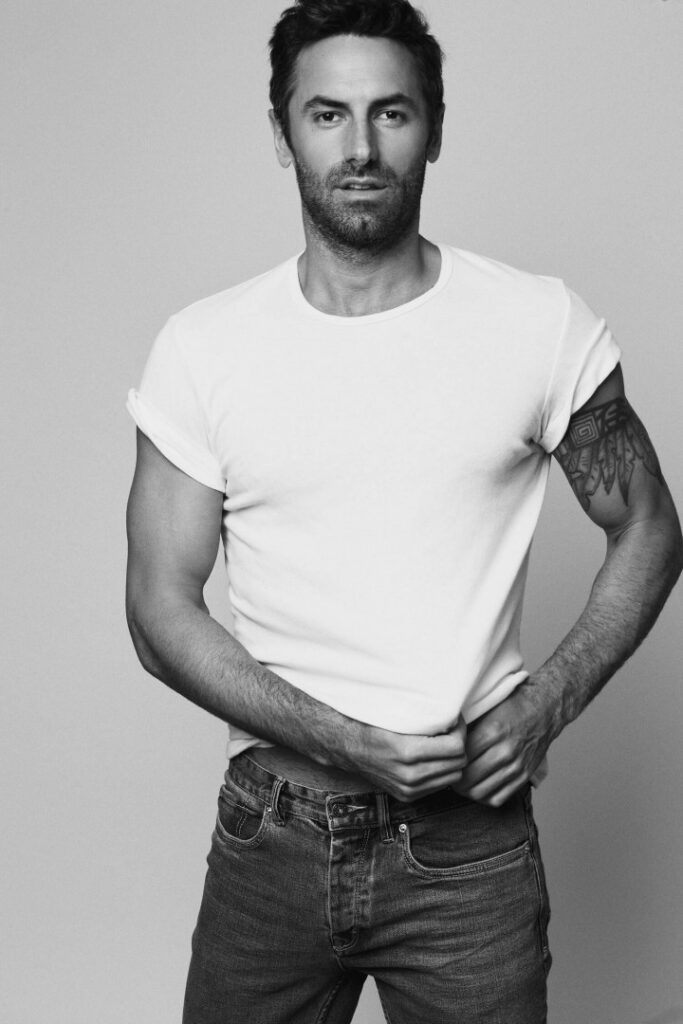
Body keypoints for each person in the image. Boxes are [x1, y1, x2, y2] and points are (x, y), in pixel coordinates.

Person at [125, 1, 682, 1021]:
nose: (361, 146)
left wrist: (548, 702)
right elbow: (158, 611)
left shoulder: (534, 324)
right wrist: (338, 738)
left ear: (433, 127)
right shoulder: (203, 350)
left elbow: (648, 525)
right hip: (272, 839)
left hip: (467, 847)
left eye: (391, 112)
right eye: (326, 114)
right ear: (282, 132)